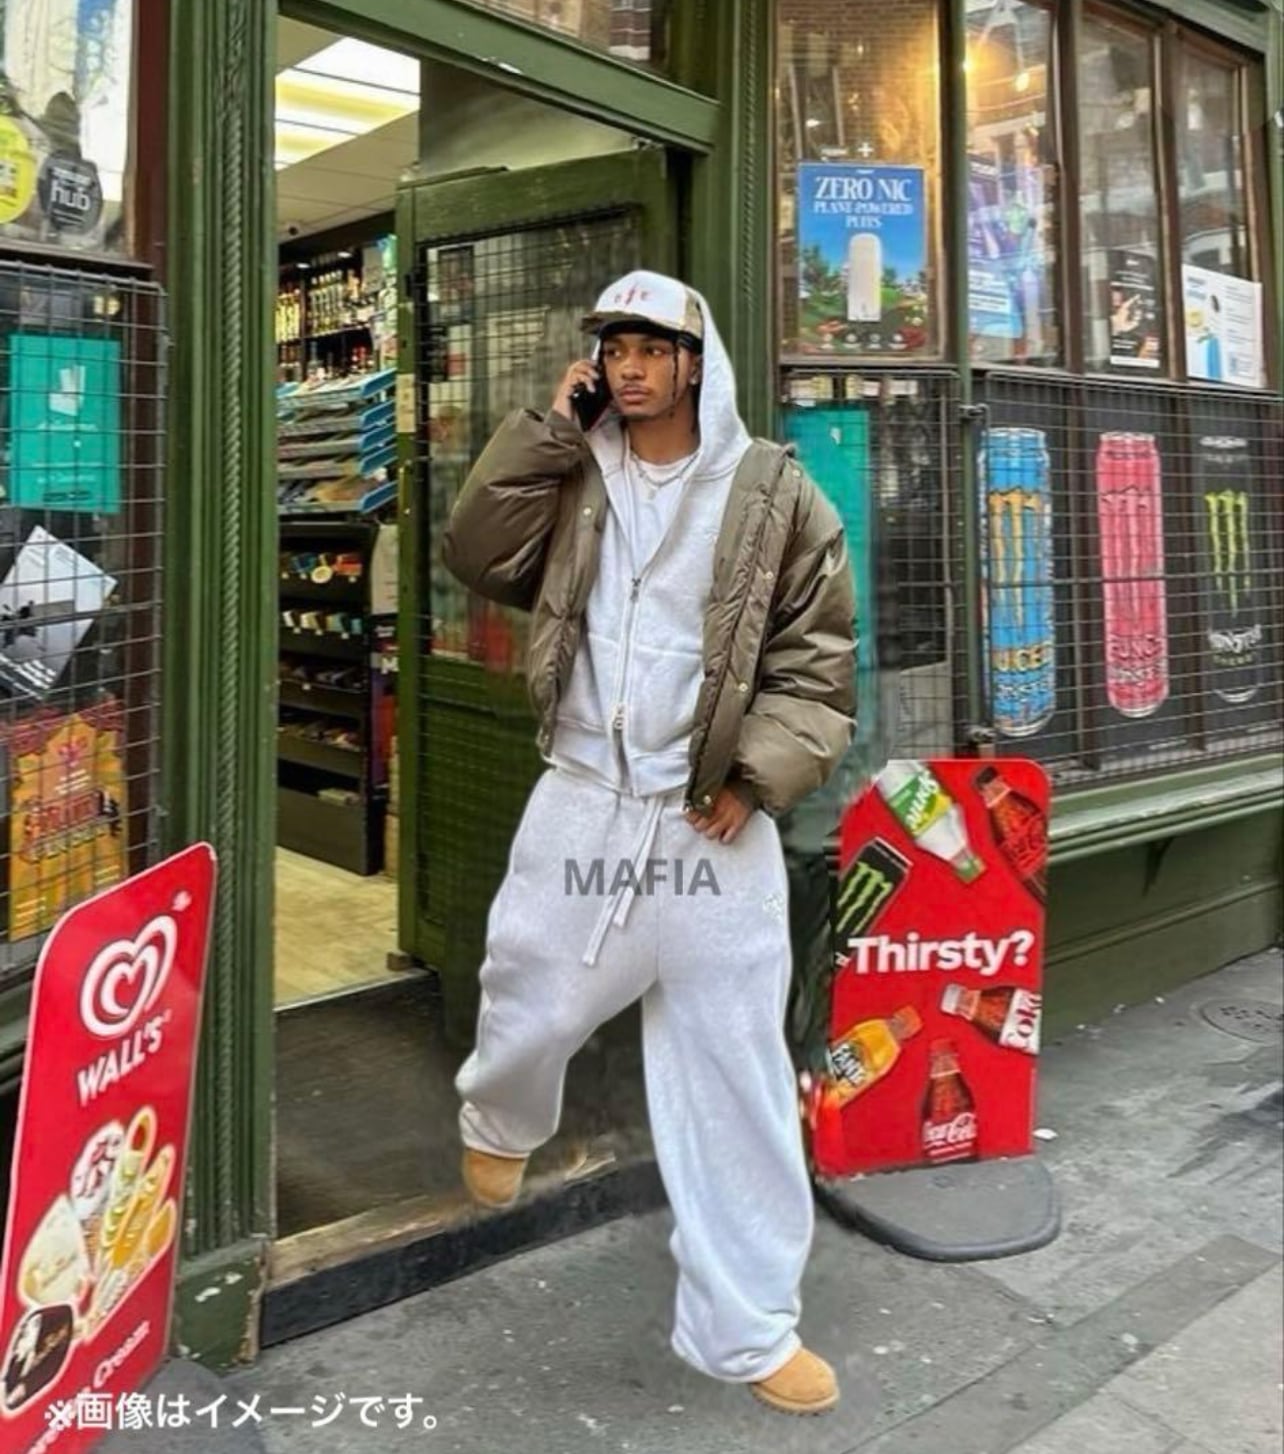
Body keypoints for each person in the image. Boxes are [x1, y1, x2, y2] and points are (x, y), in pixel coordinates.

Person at [442, 270, 856, 1416]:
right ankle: (501, 1117)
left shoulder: (772, 490)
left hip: (713, 819)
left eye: (649, 349)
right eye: (613, 349)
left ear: (693, 362)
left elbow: (818, 658)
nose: (628, 368)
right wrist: (545, 431)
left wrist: (754, 775)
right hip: (586, 794)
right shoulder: (575, 469)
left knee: (737, 1074)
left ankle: (751, 1323)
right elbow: (476, 551)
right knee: (527, 986)